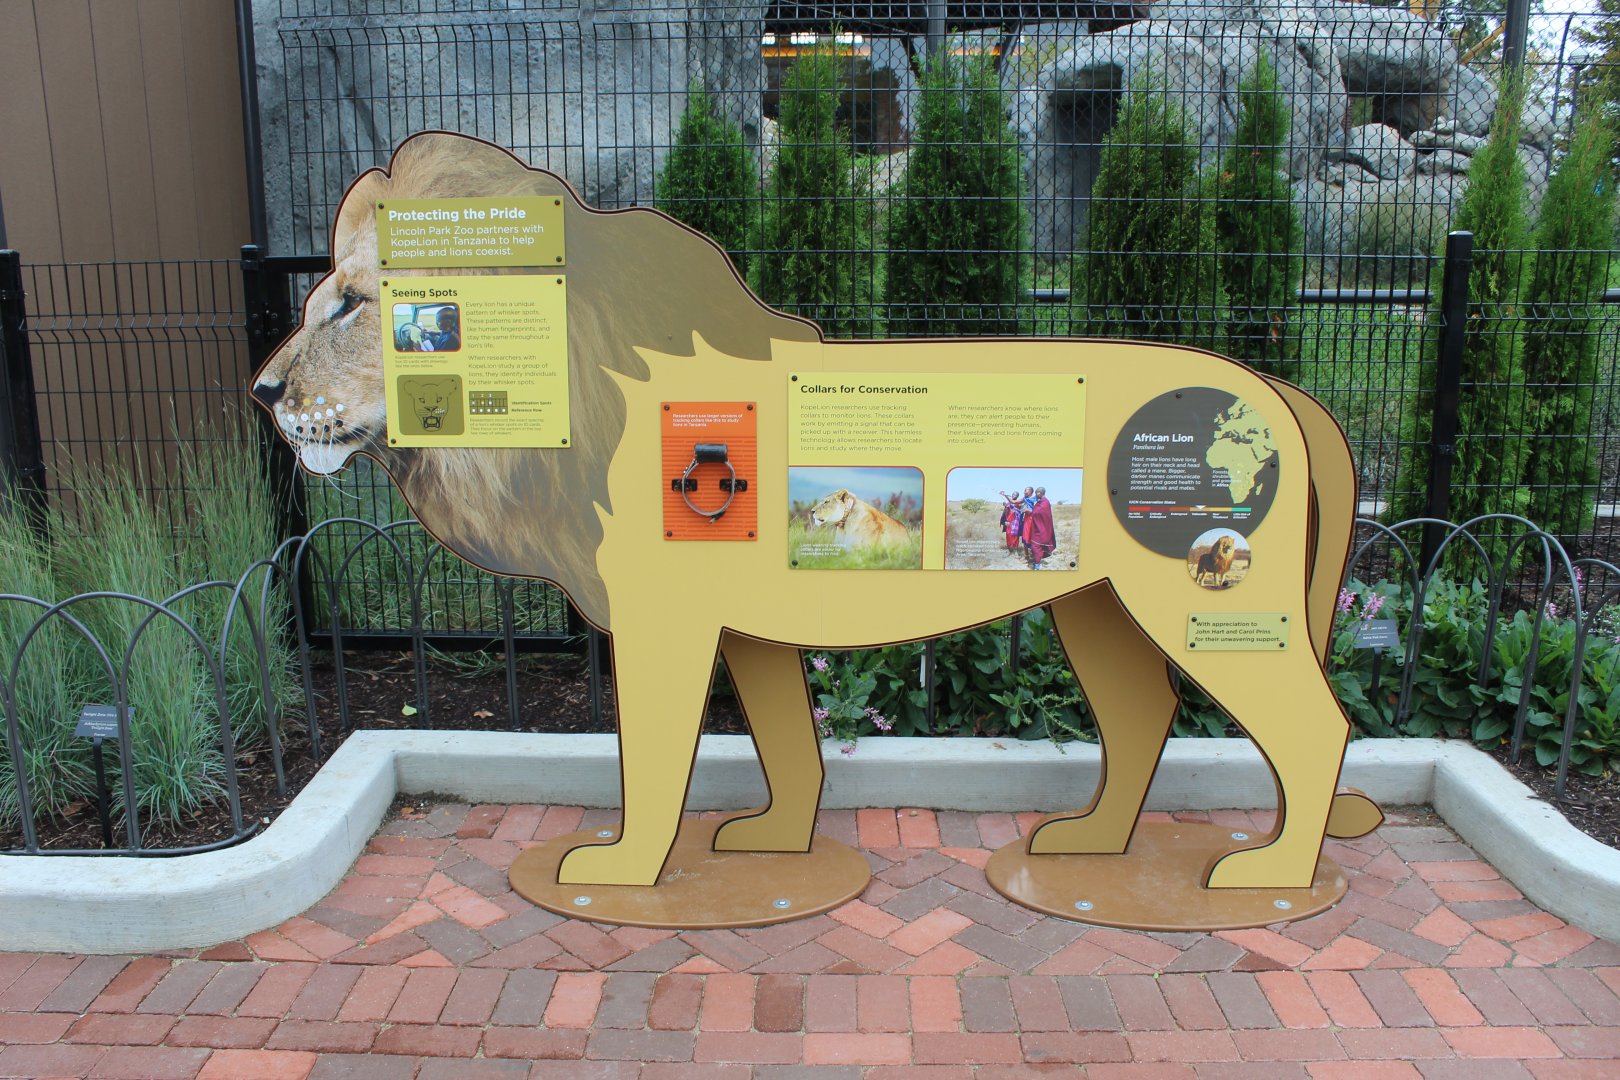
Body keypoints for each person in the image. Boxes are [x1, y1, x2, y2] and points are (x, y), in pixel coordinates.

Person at [1022, 486, 1056, 569]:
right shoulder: (1041, 501)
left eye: (1036, 493)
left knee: (1036, 546)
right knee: (1036, 546)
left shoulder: (1045, 502)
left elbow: (1038, 513)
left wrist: (1029, 511)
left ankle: (1037, 565)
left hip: (1042, 529)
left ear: (1039, 493)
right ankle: (1036, 561)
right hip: (1038, 527)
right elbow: (1037, 511)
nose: (1035, 495)